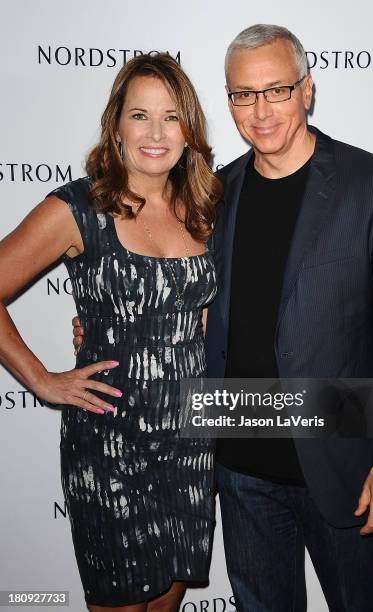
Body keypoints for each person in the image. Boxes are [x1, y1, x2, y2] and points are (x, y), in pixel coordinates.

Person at [72, 25, 373, 612]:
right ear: (229, 100)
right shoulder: (216, 192)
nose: (260, 110)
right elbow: (179, 296)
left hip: (341, 459)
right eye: (244, 94)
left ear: (308, 91)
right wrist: (104, 327)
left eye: (277, 90)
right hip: (240, 468)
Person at [0, 53, 221, 612]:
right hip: (109, 446)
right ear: (115, 127)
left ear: (188, 129)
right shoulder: (80, 208)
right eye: (139, 115)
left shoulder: (205, 208)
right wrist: (42, 381)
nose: (155, 132)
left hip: (190, 444)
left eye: (171, 117)